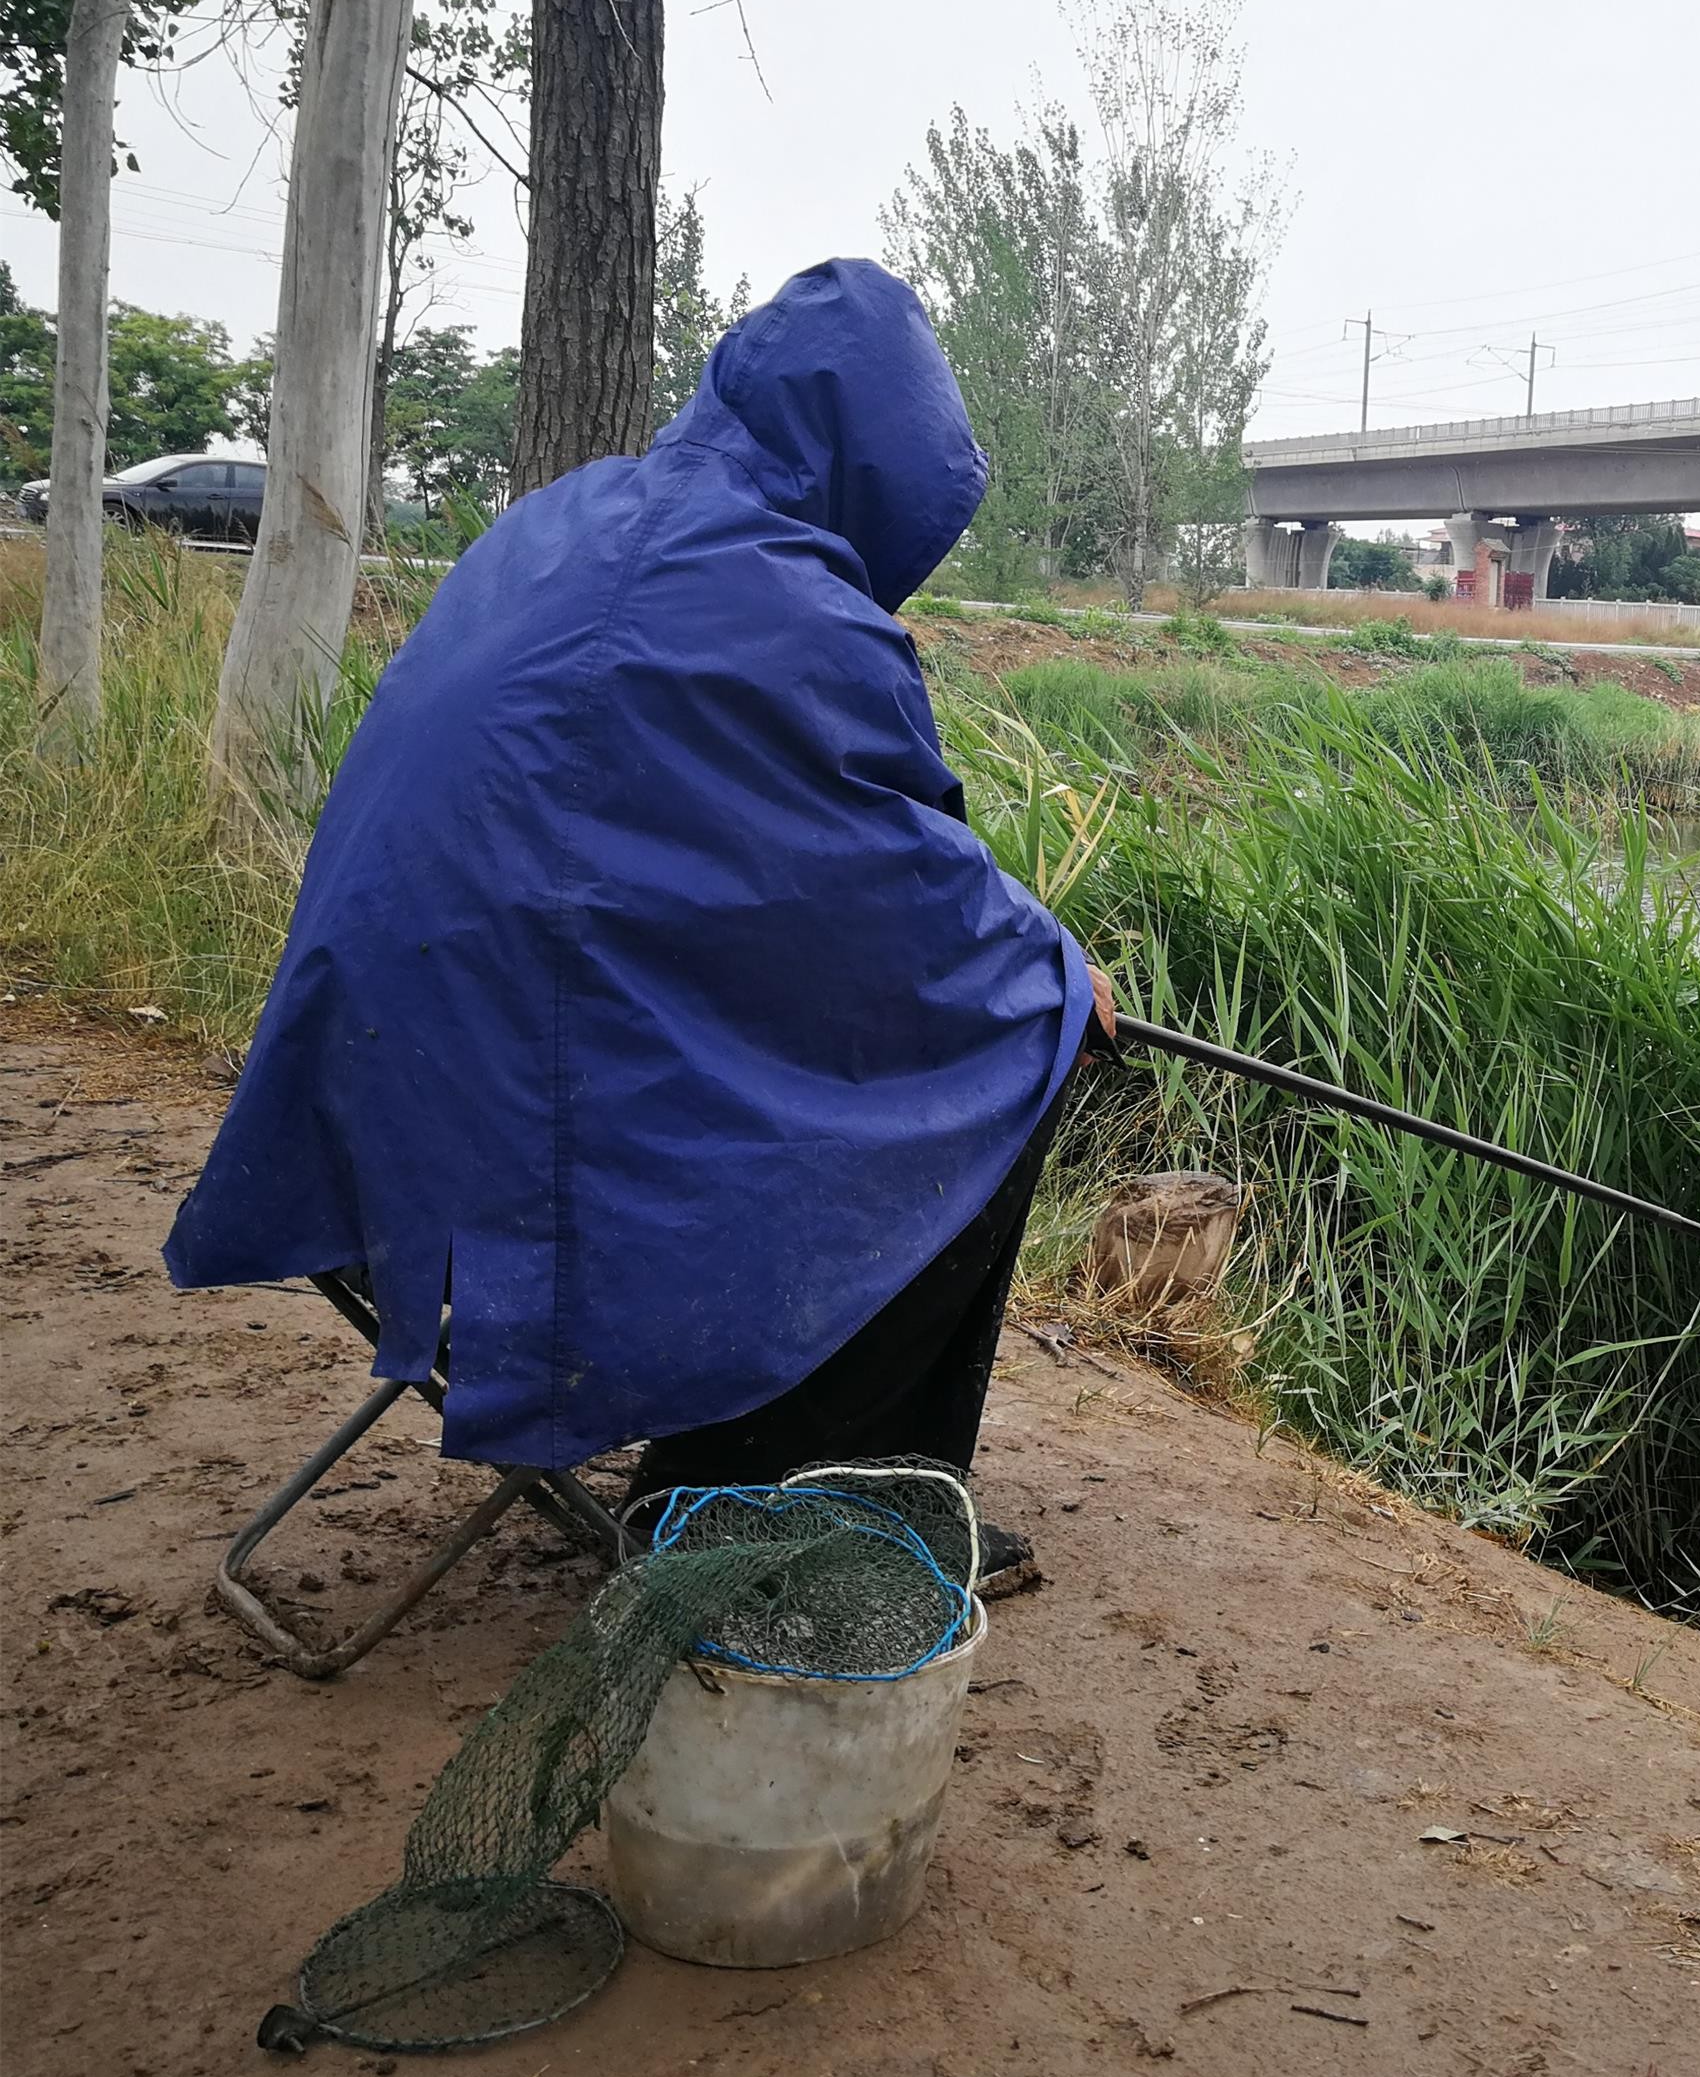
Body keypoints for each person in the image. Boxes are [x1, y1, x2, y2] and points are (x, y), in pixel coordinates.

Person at [165, 261, 1102, 1578]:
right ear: (881, 474)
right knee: (1025, 1038)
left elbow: (827, 864)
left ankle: (768, 1451)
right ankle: (787, 1493)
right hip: (525, 1149)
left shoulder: (562, 519)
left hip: (370, 1109)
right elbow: (917, 897)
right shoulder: (787, 603)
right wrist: (1056, 967)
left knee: (912, 1032)